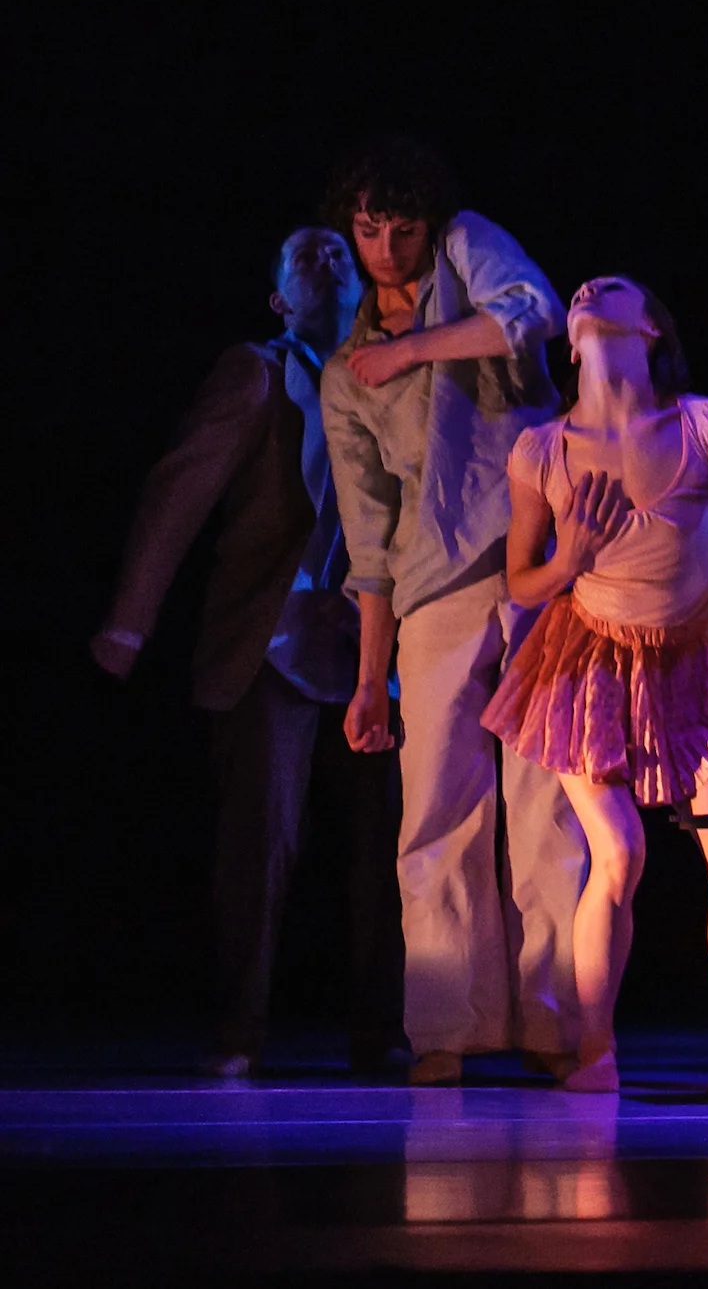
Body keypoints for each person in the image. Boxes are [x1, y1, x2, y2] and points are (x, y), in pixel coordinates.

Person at [92, 227, 402, 1076]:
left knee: (387, 845)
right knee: (261, 847)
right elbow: (178, 489)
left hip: (369, 644)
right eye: (305, 258)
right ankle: (241, 1030)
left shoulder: (392, 374)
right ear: (280, 299)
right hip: (273, 640)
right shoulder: (257, 372)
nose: (328, 261)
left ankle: (385, 1032)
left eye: (338, 254)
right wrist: (128, 621)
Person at [317, 136, 588, 1086]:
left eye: (402, 228)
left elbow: (532, 312)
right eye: (368, 230)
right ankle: (447, 1026)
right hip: (433, 586)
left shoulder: (467, 252)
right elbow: (367, 540)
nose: (386, 249)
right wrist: (368, 679)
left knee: (548, 802)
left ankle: (555, 1022)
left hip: (539, 562)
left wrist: (411, 349)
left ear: (429, 225)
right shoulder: (345, 373)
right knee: (437, 810)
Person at [483, 277, 708, 1093]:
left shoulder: (706, 426)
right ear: (571, 340)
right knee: (618, 851)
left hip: (690, 661)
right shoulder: (542, 449)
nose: (587, 289)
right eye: (583, 290)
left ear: (651, 327)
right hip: (587, 664)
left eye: (611, 288)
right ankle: (596, 1049)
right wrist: (570, 560)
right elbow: (520, 579)